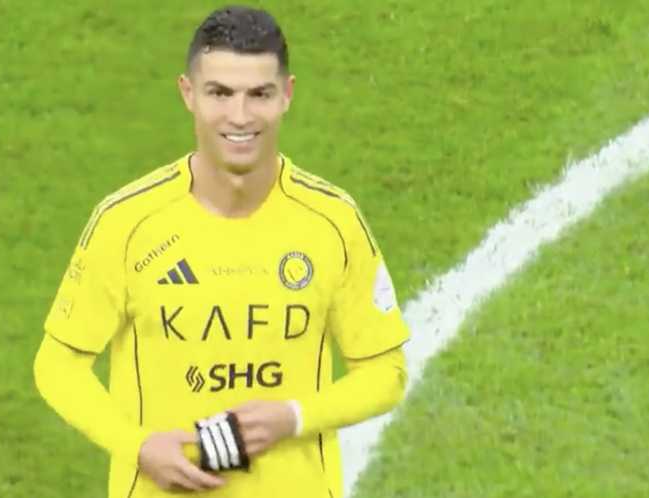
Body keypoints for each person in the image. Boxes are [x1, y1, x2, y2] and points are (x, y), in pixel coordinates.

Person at [33, 5, 410, 498]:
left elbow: (386, 371)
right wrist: (138, 446)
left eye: (259, 94)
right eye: (220, 93)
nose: (240, 116)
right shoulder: (126, 223)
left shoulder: (332, 222)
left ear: (287, 94)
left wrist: (294, 417)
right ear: (188, 93)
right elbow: (57, 366)